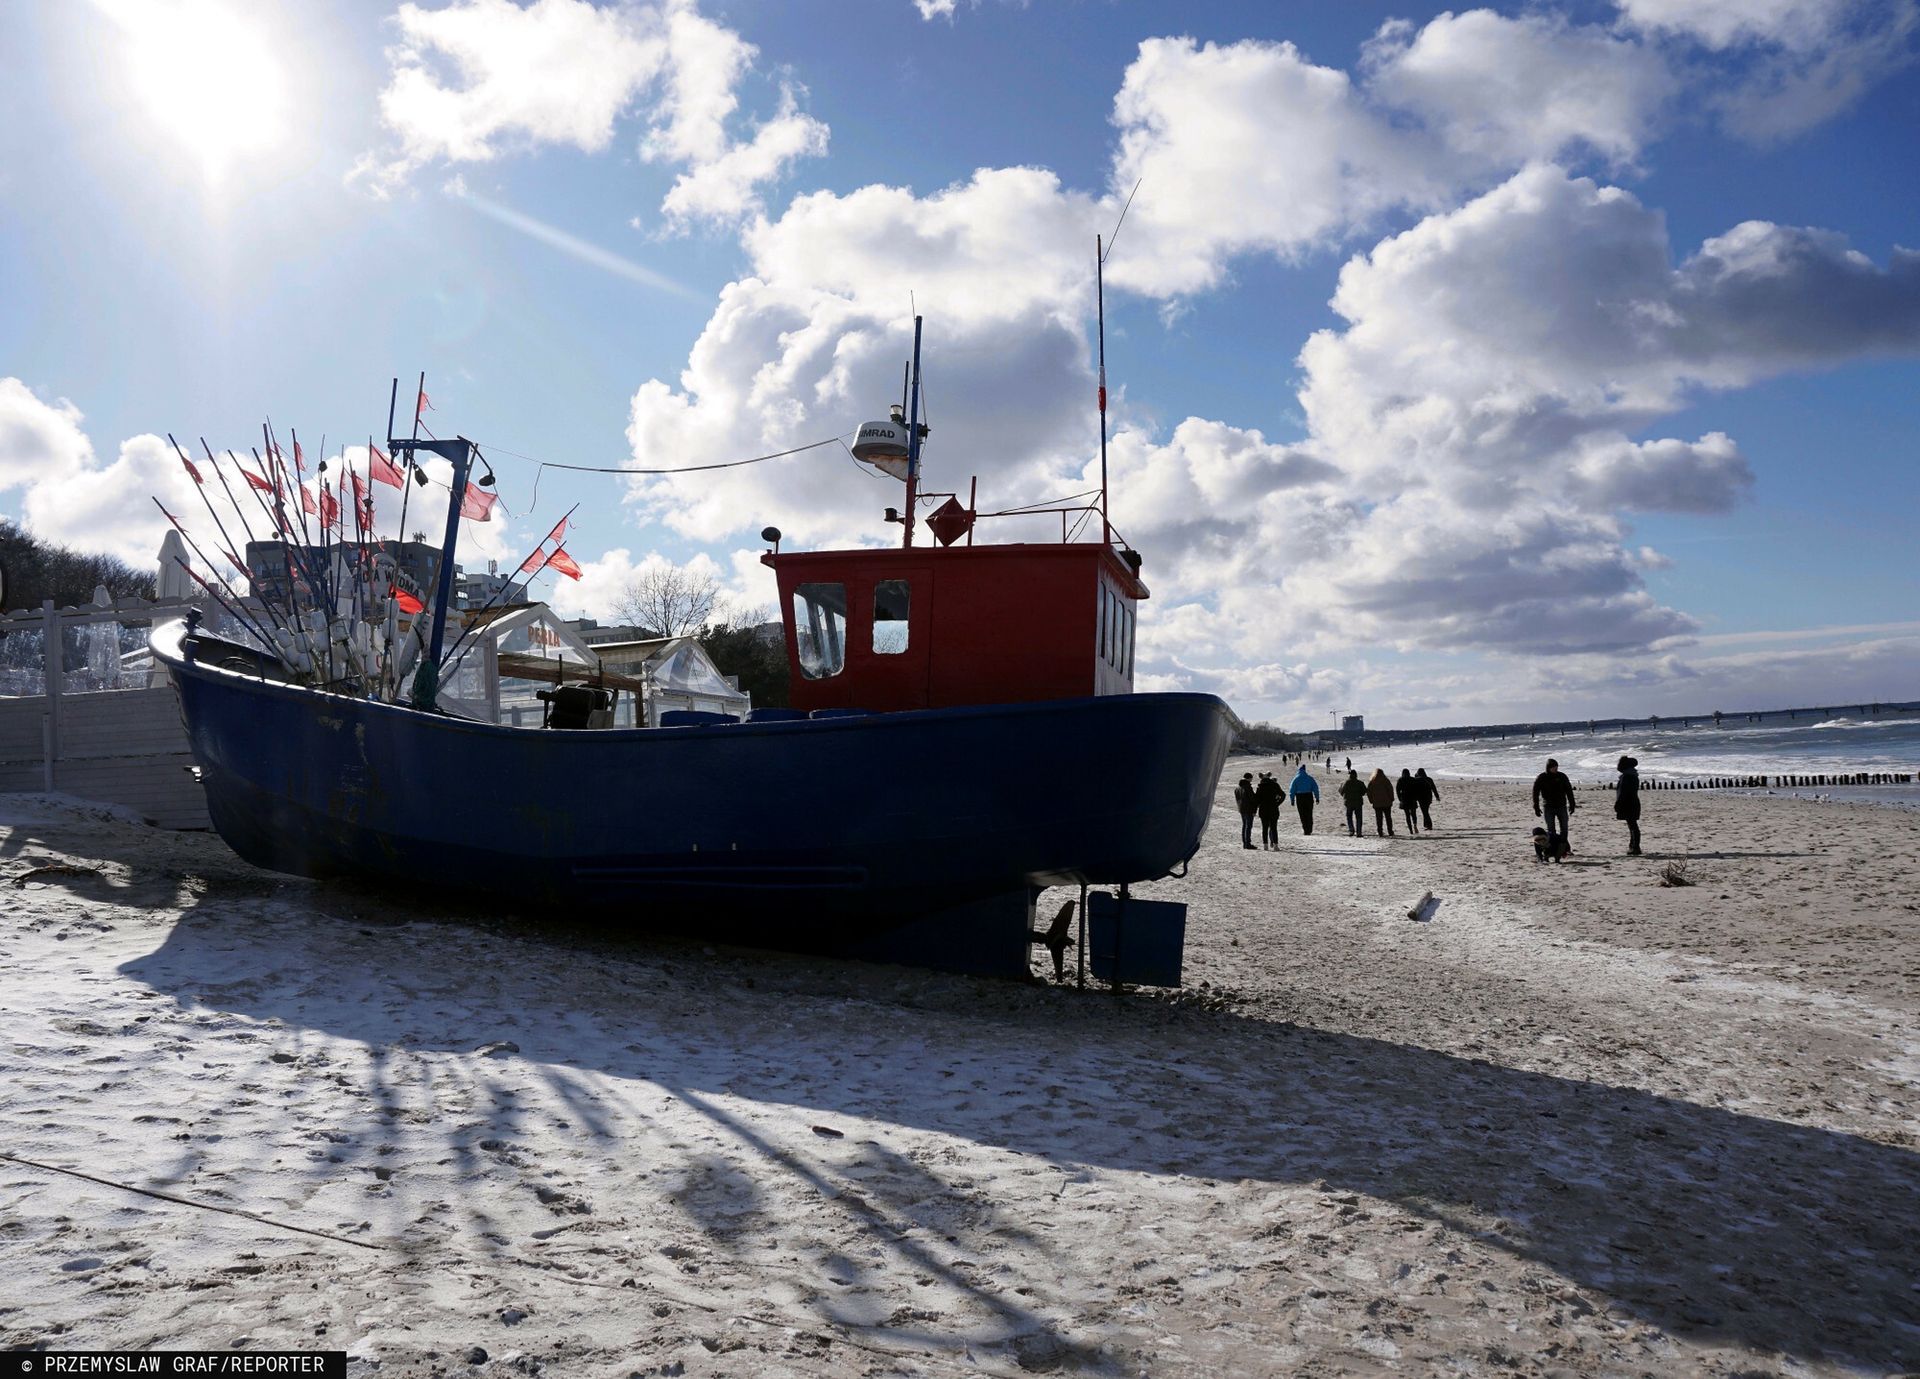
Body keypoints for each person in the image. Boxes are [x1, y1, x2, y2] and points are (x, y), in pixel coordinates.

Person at [1532, 757, 1577, 853]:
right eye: (1554, 768)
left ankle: (1565, 849)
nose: (1556, 769)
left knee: (1564, 829)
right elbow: (1535, 792)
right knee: (1551, 830)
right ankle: (1553, 849)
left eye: (1557, 767)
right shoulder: (1542, 778)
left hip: (1561, 806)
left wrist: (1572, 804)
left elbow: (1569, 791)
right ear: (1548, 768)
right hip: (1548, 807)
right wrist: (1536, 806)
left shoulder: (1562, 776)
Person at [1614, 755, 1642, 855]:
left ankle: (1635, 847)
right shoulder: (1633, 775)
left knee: (1632, 825)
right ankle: (1633, 845)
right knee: (1632, 825)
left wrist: (1618, 804)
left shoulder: (1627, 777)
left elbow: (1623, 792)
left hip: (1628, 803)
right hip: (1633, 802)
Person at [1288, 763, 1320, 835]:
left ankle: (1305, 829)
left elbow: (1292, 790)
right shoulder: (1310, 778)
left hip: (1300, 797)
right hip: (1309, 796)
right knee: (1309, 813)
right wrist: (1317, 798)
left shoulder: (1296, 779)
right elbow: (1315, 788)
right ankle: (1309, 829)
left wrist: (1292, 799)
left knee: (1302, 814)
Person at [1254, 771, 1283, 850]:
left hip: (1263, 810)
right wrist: (1277, 803)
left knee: (1264, 828)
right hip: (1273, 809)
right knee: (1274, 828)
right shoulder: (1275, 785)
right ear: (1269, 777)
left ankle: (1265, 845)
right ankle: (1276, 845)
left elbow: (1256, 800)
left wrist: (1256, 808)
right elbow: (1283, 795)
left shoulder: (1260, 787)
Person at [1365, 767, 1396, 836]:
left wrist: (1371, 800)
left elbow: (1369, 792)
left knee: (1379, 818)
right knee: (1388, 817)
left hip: (1377, 803)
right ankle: (1390, 831)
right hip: (1387, 802)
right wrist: (1392, 798)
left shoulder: (1372, 781)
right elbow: (1390, 790)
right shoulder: (1385, 780)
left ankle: (1380, 832)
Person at [1338, 769, 1367, 836]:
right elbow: (1364, 791)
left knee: (1349, 816)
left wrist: (1345, 796)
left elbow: (1341, 791)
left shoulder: (1345, 783)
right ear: (1356, 775)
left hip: (1348, 802)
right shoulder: (1360, 783)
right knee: (1359, 817)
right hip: (1358, 802)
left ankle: (1351, 830)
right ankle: (1359, 832)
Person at [1233, 772, 1257, 849]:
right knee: (1248, 826)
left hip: (1241, 809)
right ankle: (1247, 844)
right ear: (1249, 778)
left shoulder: (1238, 787)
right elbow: (1253, 799)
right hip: (1248, 809)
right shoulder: (1247, 787)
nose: (1251, 780)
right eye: (1251, 778)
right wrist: (1254, 810)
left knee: (1244, 826)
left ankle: (1245, 843)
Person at [1395, 768, 1420, 835]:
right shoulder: (1412, 779)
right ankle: (1415, 825)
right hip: (1412, 798)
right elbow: (1417, 789)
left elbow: (1397, 790)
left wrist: (1400, 799)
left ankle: (1410, 830)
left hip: (1404, 799)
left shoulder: (1400, 780)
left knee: (1407, 815)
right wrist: (1416, 798)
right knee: (1413, 813)